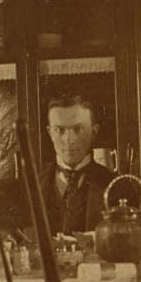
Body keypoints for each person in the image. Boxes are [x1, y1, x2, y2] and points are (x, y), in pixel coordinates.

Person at [39, 94, 115, 235]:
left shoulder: (116, 187)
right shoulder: (32, 185)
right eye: (60, 130)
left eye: (78, 129)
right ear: (50, 133)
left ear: (94, 131)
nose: (69, 140)